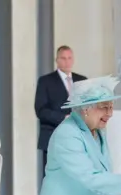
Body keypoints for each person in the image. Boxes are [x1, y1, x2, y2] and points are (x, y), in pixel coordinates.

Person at [35, 45, 86, 178]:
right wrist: (63, 118)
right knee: (53, 178)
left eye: (69, 58)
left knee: (76, 177)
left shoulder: (82, 80)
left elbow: (88, 106)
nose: (67, 61)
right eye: (63, 58)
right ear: (57, 60)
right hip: (53, 137)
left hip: (77, 138)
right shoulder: (45, 81)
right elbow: (41, 110)